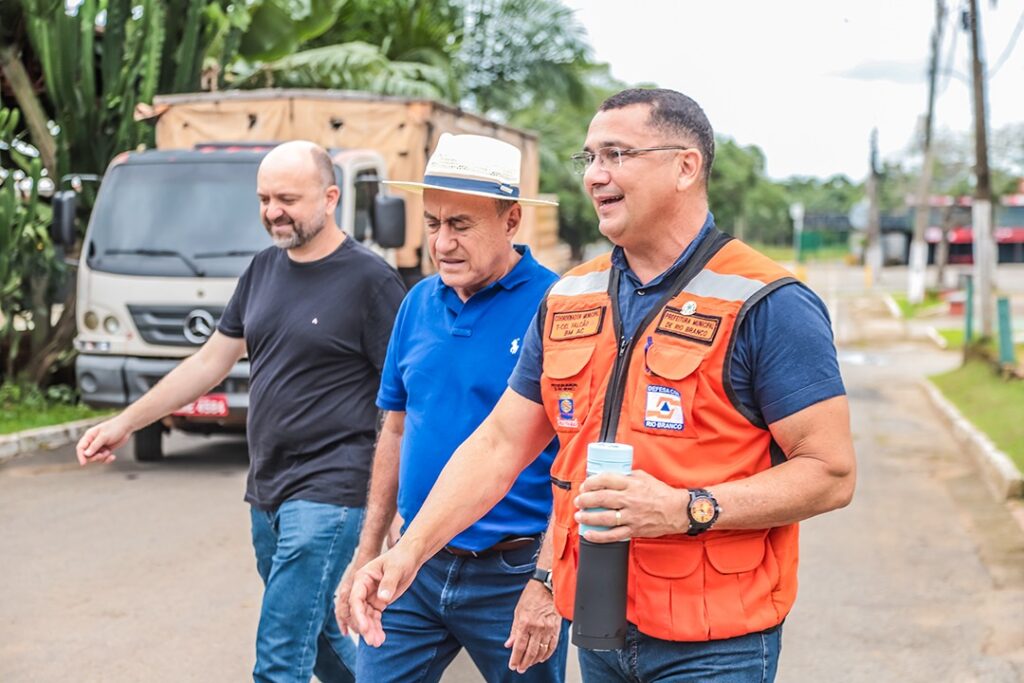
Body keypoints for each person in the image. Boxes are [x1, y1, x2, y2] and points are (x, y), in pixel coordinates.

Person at [349, 89, 857, 682]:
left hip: (716, 645)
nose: (595, 176)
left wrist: (684, 509)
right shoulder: (568, 298)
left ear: (685, 166)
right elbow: (498, 446)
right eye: (589, 158)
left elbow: (831, 472)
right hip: (600, 631)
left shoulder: (768, 303)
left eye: (616, 155)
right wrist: (406, 554)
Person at [75, 140, 406, 683]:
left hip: (332, 490)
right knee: (316, 635)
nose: (272, 211)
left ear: (330, 197)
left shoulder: (372, 282)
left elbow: (404, 403)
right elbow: (209, 362)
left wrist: (395, 503)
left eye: (287, 199)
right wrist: (124, 422)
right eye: (264, 198)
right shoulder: (261, 270)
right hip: (268, 488)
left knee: (279, 657)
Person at [333, 133, 569, 682]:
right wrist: (367, 551)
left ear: (512, 221)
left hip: (510, 574)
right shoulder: (416, 302)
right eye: (434, 223)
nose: (442, 243)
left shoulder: (557, 308)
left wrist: (548, 580)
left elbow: (579, 454)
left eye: (461, 225)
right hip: (414, 561)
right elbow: (394, 431)